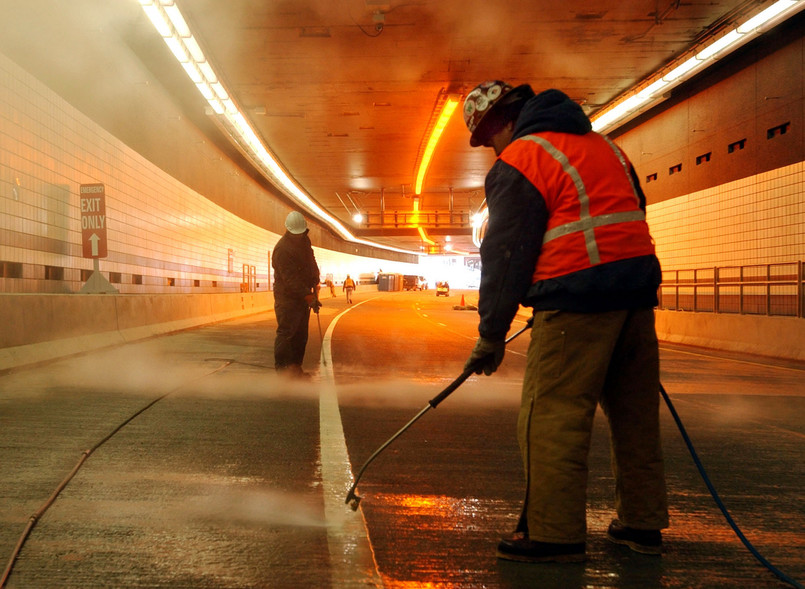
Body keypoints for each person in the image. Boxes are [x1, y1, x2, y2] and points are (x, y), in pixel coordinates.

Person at [462, 81, 668, 563]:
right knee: (635, 417)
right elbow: (633, 208)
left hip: (576, 303)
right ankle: (642, 524)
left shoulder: (522, 158)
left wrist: (491, 333)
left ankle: (554, 535)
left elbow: (507, 254)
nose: (492, 148)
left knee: (551, 416)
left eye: (488, 138)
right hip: (635, 298)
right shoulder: (607, 148)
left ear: (498, 124)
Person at [272, 211, 321, 377]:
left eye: (301, 234)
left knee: (301, 334)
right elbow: (290, 280)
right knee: (287, 333)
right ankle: (283, 371)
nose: (298, 237)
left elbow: (311, 260)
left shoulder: (304, 241)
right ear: (288, 230)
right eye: (296, 234)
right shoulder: (282, 250)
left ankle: (295, 368)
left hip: (302, 296)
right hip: (287, 298)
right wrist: (308, 296)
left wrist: (315, 278)